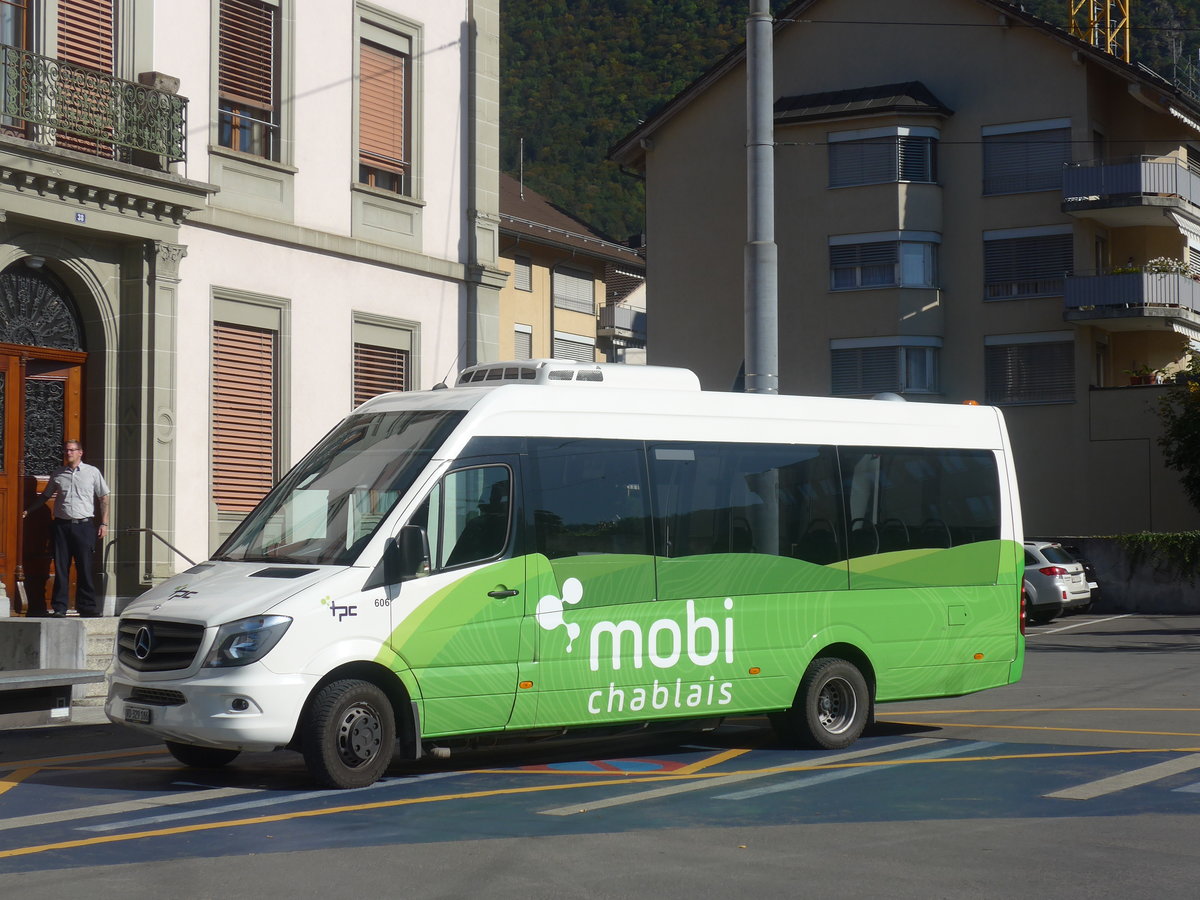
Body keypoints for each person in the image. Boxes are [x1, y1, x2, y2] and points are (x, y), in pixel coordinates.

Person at [23, 440, 111, 618]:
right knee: (61, 567)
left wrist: (104, 523)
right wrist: (28, 510)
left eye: (72, 450)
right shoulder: (58, 473)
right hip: (61, 526)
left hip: (84, 526)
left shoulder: (92, 472)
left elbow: (104, 497)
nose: (68, 453)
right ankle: (60, 607)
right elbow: (45, 496)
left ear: (80, 452)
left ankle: (87, 607)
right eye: (66, 450)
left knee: (85, 567)